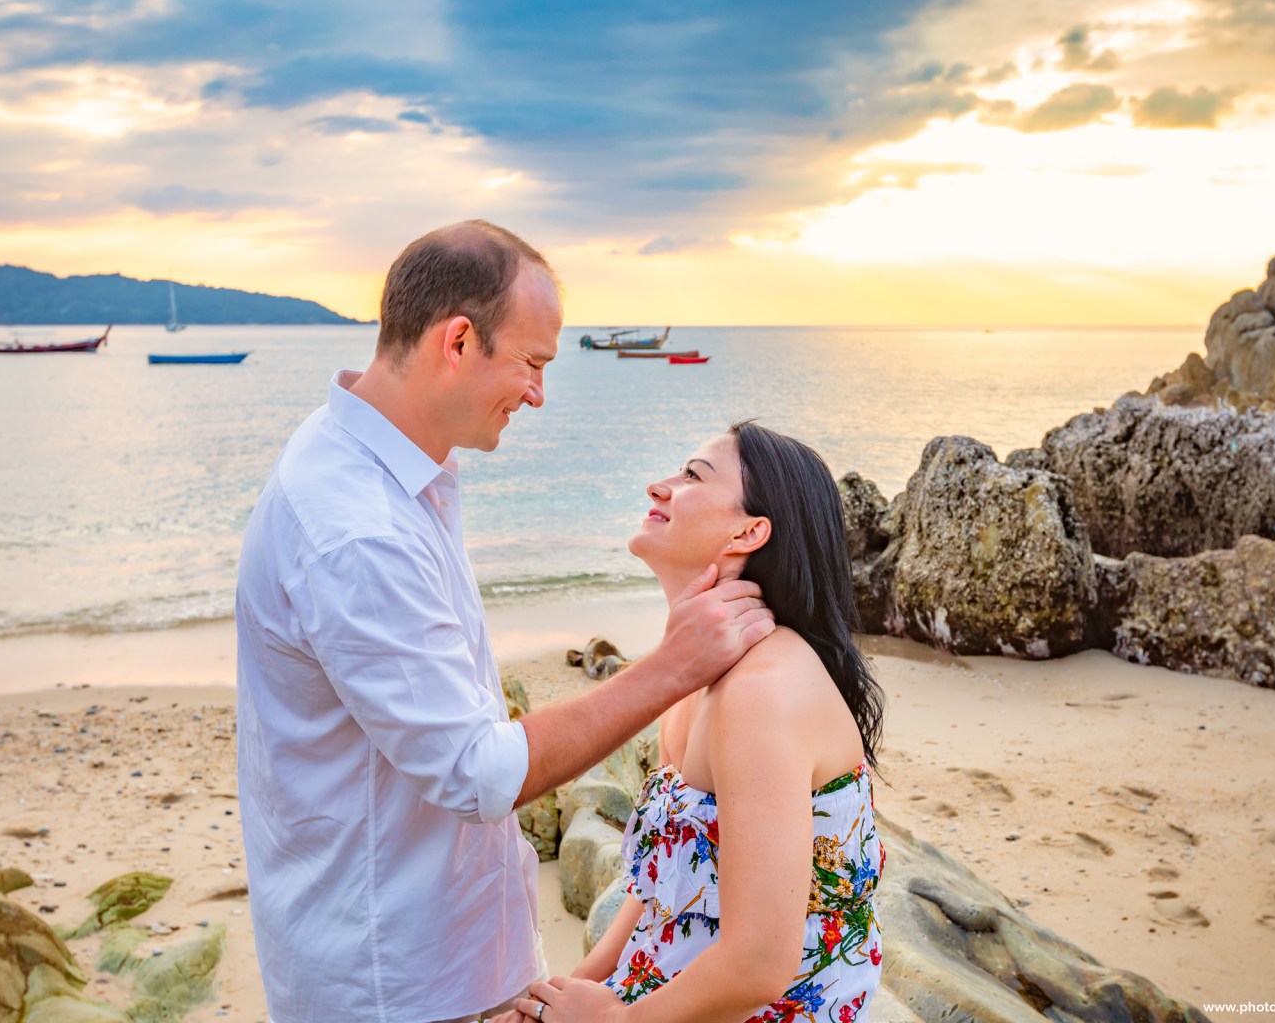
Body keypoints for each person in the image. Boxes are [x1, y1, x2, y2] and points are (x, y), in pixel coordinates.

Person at [235, 222, 774, 1023]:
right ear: (458, 341)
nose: (538, 393)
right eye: (532, 363)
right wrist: (673, 666)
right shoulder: (356, 527)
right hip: (396, 982)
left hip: (445, 960)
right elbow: (476, 774)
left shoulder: (396, 463)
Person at [504, 421, 886, 1023]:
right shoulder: (695, 673)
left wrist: (613, 1019)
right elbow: (657, 882)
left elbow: (760, 964)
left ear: (749, 531)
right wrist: (562, 994)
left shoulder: (763, 692)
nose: (657, 487)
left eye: (690, 476)